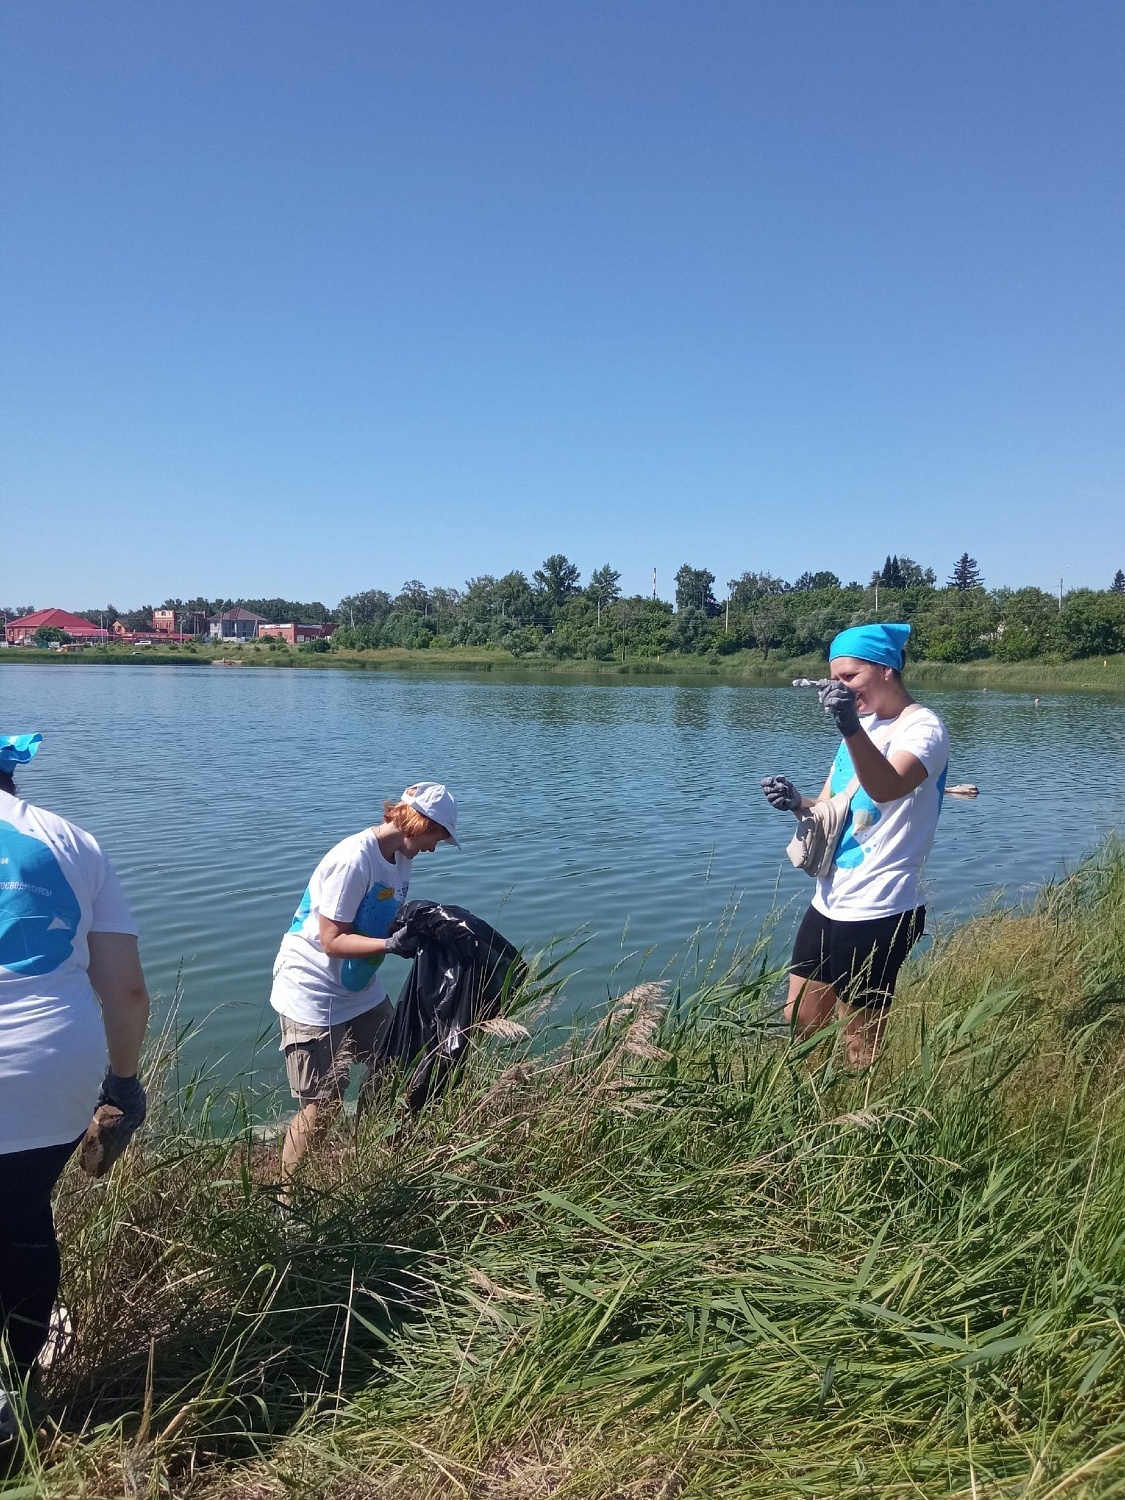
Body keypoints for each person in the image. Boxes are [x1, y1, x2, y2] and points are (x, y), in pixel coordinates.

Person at [0, 734, 149, 1442]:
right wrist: (122, 1083)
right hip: (49, 1066)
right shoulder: (71, 839)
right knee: (22, 1218)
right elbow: (126, 990)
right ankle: (14, 1395)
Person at [761, 624, 949, 1068]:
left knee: (858, 1041)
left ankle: (861, 1105)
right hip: (830, 899)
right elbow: (830, 808)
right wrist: (796, 802)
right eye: (834, 679)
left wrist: (848, 726)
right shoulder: (862, 726)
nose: (839, 689)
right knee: (800, 1021)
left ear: (885, 669)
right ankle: (809, 1100)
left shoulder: (922, 728)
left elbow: (887, 787)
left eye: (850, 677)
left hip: (881, 906)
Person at [270, 781, 460, 1184]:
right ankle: (286, 1198)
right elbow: (331, 940)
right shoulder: (354, 859)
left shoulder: (401, 857)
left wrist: (416, 929)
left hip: (359, 986)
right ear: (420, 824)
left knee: (399, 1063)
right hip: (312, 988)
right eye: (436, 838)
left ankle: (369, 1157)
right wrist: (391, 944)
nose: (433, 849)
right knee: (323, 1104)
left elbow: (375, 918)